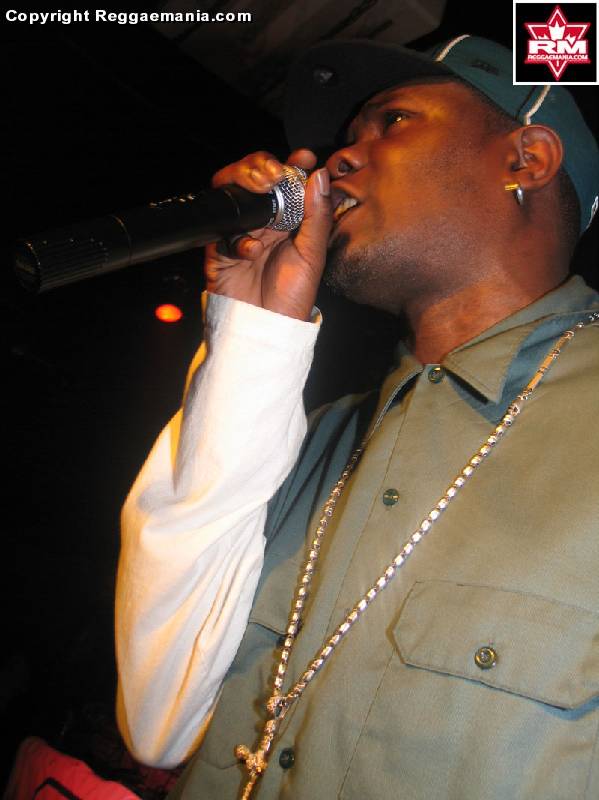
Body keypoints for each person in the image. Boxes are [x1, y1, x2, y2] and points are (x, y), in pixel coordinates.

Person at [115, 34, 599, 799]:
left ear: (525, 159)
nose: (337, 158)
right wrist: (251, 332)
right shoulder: (306, 437)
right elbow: (158, 718)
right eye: (348, 134)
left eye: (391, 121)